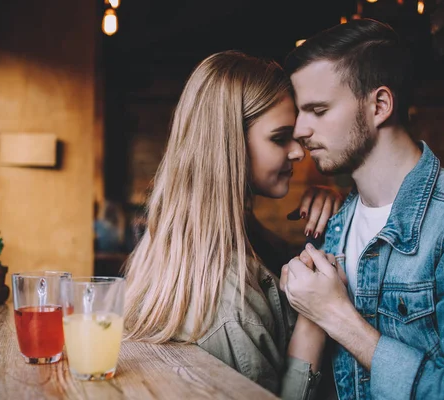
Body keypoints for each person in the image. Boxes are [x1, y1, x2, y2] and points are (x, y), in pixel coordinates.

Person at [280, 18, 444, 399]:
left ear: (380, 105)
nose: (300, 129)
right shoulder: (336, 221)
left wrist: (337, 317)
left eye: (317, 110)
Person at [123, 50, 342, 399]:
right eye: (279, 137)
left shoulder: (186, 243)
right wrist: (315, 321)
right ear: (230, 143)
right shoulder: (229, 299)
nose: (299, 152)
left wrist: (336, 218)